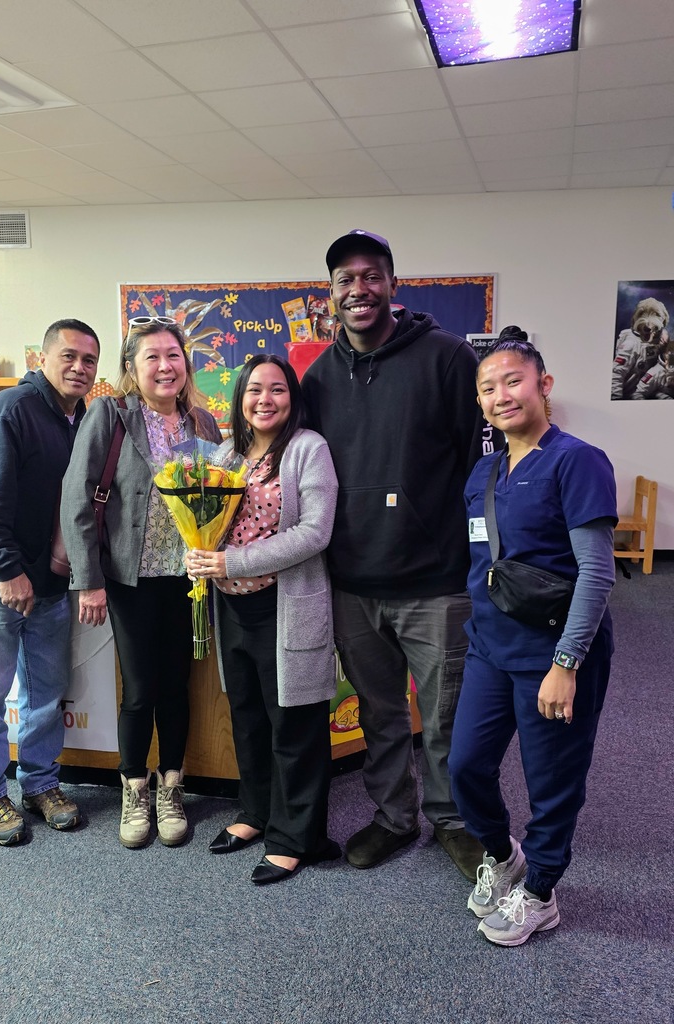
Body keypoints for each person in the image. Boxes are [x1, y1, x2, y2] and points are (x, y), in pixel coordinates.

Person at [301, 229, 484, 879]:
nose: (359, 289)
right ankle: (394, 817)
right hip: (353, 581)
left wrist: (479, 560)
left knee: (445, 715)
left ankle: (456, 820)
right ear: (331, 294)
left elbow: (478, 465)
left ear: (393, 284)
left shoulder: (448, 357)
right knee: (379, 715)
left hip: (437, 581)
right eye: (345, 280)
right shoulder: (318, 378)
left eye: (371, 275)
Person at [449, 329, 616, 946]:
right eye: (488, 387)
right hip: (490, 649)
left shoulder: (577, 461)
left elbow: (597, 573)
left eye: (513, 381)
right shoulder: (484, 471)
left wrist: (566, 663)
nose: (501, 395)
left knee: (552, 783)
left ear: (543, 385)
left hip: (555, 655)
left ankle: (541, 892)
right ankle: (503, 855)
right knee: (465, 766)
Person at [60, 316, 221, 850]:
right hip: (130, 579)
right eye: (152, 357)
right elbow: (77, 497)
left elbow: (222, 492)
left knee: (177, 686)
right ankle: (135, 788)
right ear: (132, 367)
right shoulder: (110, 414)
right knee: (140, 689)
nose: (165, 366)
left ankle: (172, 787)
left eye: (173, 355)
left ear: (185, 364)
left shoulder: (203, 423)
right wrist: (88, 581)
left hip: (188, 579)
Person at [185, 355, 341, 885]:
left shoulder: (308, 449)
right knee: (248, 716)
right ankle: (255, 812)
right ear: (240, 398)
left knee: (293, 722)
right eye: (255, 389)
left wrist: (232, 562)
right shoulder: (226, 453)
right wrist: (197, 551)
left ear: (292, 398)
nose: (264, 400)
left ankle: (296, 837)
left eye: (277, 389)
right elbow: (205, 520)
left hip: (286, 605)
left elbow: (315, 532)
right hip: (232, 606)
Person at [0, 318, 101, 845]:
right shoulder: (9, 410)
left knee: (46, 691)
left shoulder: (82, 418)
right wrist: (8, 570)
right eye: (69, 356)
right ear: (43, 358)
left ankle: (40, 783)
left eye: (89, 360)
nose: (79, 367)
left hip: (50, 582)